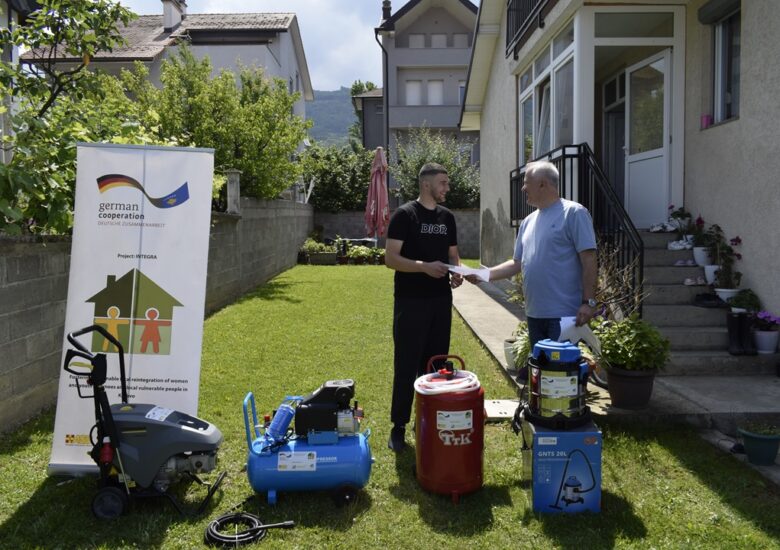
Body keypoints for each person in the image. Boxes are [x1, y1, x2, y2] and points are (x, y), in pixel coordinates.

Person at [468, 161, 597, 378]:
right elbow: (516, 263)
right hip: (535, 313)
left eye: (527, 183)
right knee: (542, 376)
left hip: (564, 316)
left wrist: (588, 302)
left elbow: (589, 260)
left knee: (560, 378)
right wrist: (483, 275)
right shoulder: (528, 222)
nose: (523, 188)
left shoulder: (573, 213)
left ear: (543, 184)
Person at [384, 162, 463, 452]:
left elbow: (453, 255)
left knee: (436, 364)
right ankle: (398, 428)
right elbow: (391, 258)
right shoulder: (405, 215)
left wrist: (457, 273)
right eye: (443, 183)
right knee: (407, 363)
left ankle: (428, 420)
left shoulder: (448, 217)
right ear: (427, 184)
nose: (447, 188)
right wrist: (424, 268)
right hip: (411, 301)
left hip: (441, 302)